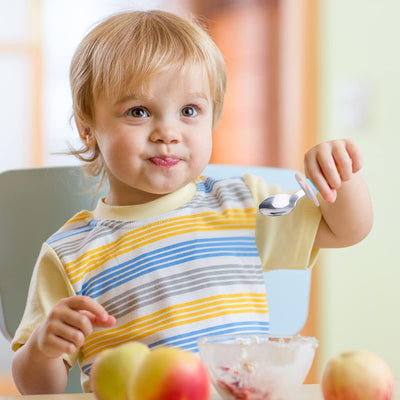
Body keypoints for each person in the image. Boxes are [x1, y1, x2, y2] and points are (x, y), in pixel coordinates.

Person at [11, 10, 373, 394]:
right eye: (138, 112)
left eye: (189, 111)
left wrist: (341, 177)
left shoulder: (241, 204)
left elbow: (346, 229)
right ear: (88, 129)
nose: (168, 132)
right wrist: (42, 349)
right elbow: (36, 389)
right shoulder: (68, 252)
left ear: (211, 118)